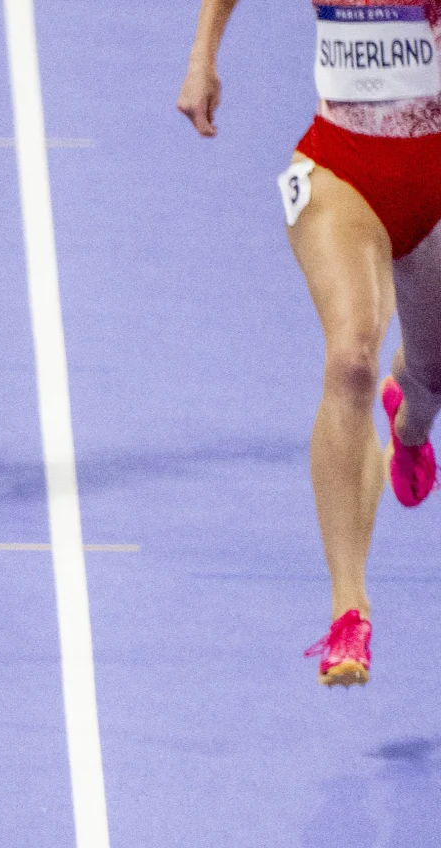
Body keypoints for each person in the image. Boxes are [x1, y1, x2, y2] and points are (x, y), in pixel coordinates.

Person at [182, 0, 441, 683]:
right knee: (351, 351)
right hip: (342, 165)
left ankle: (411, 423)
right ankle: (347, 612)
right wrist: (203, 54)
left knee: (432, 372)